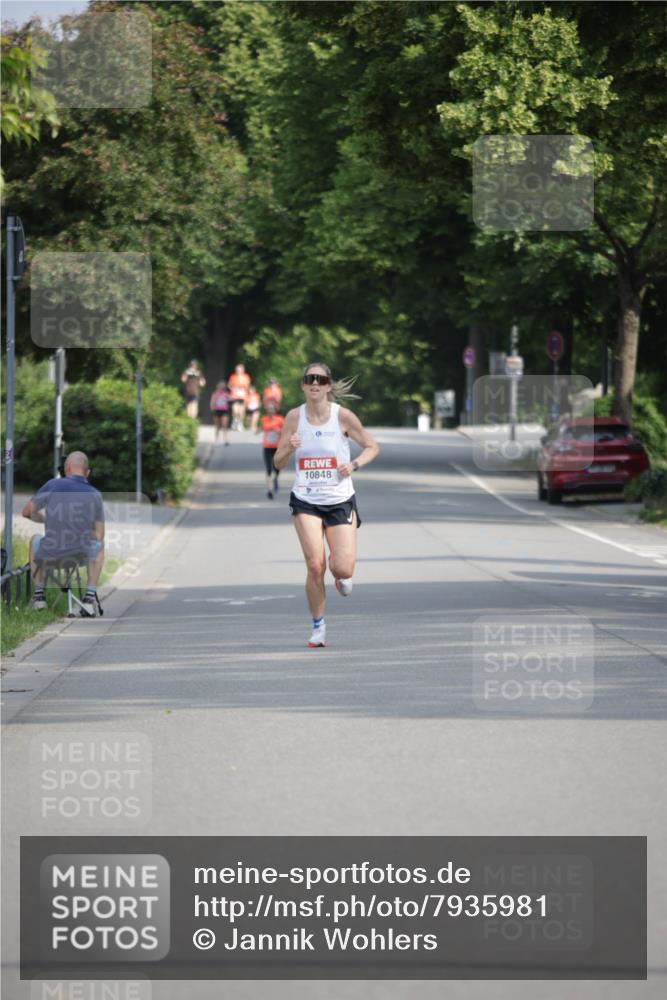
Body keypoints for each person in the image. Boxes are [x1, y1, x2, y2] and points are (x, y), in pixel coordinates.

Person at [273, 362, 379, 647]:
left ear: (329, 385)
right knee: (315, 565)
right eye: (310, 379)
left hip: (339, 498)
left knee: (343, 569)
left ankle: (340, 575)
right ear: (303, 385)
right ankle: (318, 627)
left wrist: (353, 464)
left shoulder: (342, 417)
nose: (315, 384)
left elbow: (372, 446)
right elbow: (278, 462)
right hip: (306, 499)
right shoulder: (294, 417)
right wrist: (289, 448)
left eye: (320, 379)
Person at [22, 450, 105, 617]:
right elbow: (99, 535)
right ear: (87, 472)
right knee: (100, 546)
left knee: (34, 540)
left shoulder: (52, 485)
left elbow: (27, 512)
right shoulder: (96, 494)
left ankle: (39, 597)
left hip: (51, 554)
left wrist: (46, 520)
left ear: (66, 468)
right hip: (79, 555)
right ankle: (89, 600)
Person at [259, 400, 284, 499]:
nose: (270, 411)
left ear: (275, 410)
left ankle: (276, 479)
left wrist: (279, 431)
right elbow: (262, 428)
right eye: (268, 409)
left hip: (277, 447)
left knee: (276, 467)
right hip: (267, 447)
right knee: (268, 468)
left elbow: (286, 431)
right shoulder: (264, 419)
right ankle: (269, 490)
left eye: (272, 409)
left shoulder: (280, 419)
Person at [228, 363, 251, 430]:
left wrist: (243, 388)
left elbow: (248, 386)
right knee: (235, 409)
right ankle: (235, 420)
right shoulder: (233, 376)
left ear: (243, 370)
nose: (238, 371)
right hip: (235, 395)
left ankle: (240, 423)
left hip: (242, 396)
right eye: (237, 369)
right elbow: (229, 385)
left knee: (241, 410)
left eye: (239, 369)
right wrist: (233, 389)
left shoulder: (246, 377)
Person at [210, 381, 231, 445]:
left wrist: (229, 400)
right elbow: (212, 401)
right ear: (218, 386)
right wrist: (212, 408)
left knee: (225, 425)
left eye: (223, 386)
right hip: (217, 410)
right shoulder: (215, 393)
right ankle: (216, 439)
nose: (222, 387)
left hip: (224, 410)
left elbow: (230, 399)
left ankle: (225, 439)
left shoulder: (226, 393)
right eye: (221, 386)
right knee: (217, 426)